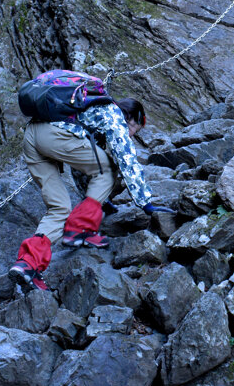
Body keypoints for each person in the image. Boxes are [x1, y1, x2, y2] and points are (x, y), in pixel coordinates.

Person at [9, 96, 170, 291]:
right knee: (110, 168)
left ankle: (27, 264)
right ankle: (80, 228)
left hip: (33, 136)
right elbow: (125, 159)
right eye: (136, 129)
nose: (133, 134)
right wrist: (145, 202)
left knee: (59, 208)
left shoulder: (90, 116)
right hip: (53, 135)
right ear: (132, 119)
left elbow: (83, 170)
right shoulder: (114, 115)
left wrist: (100, 200)